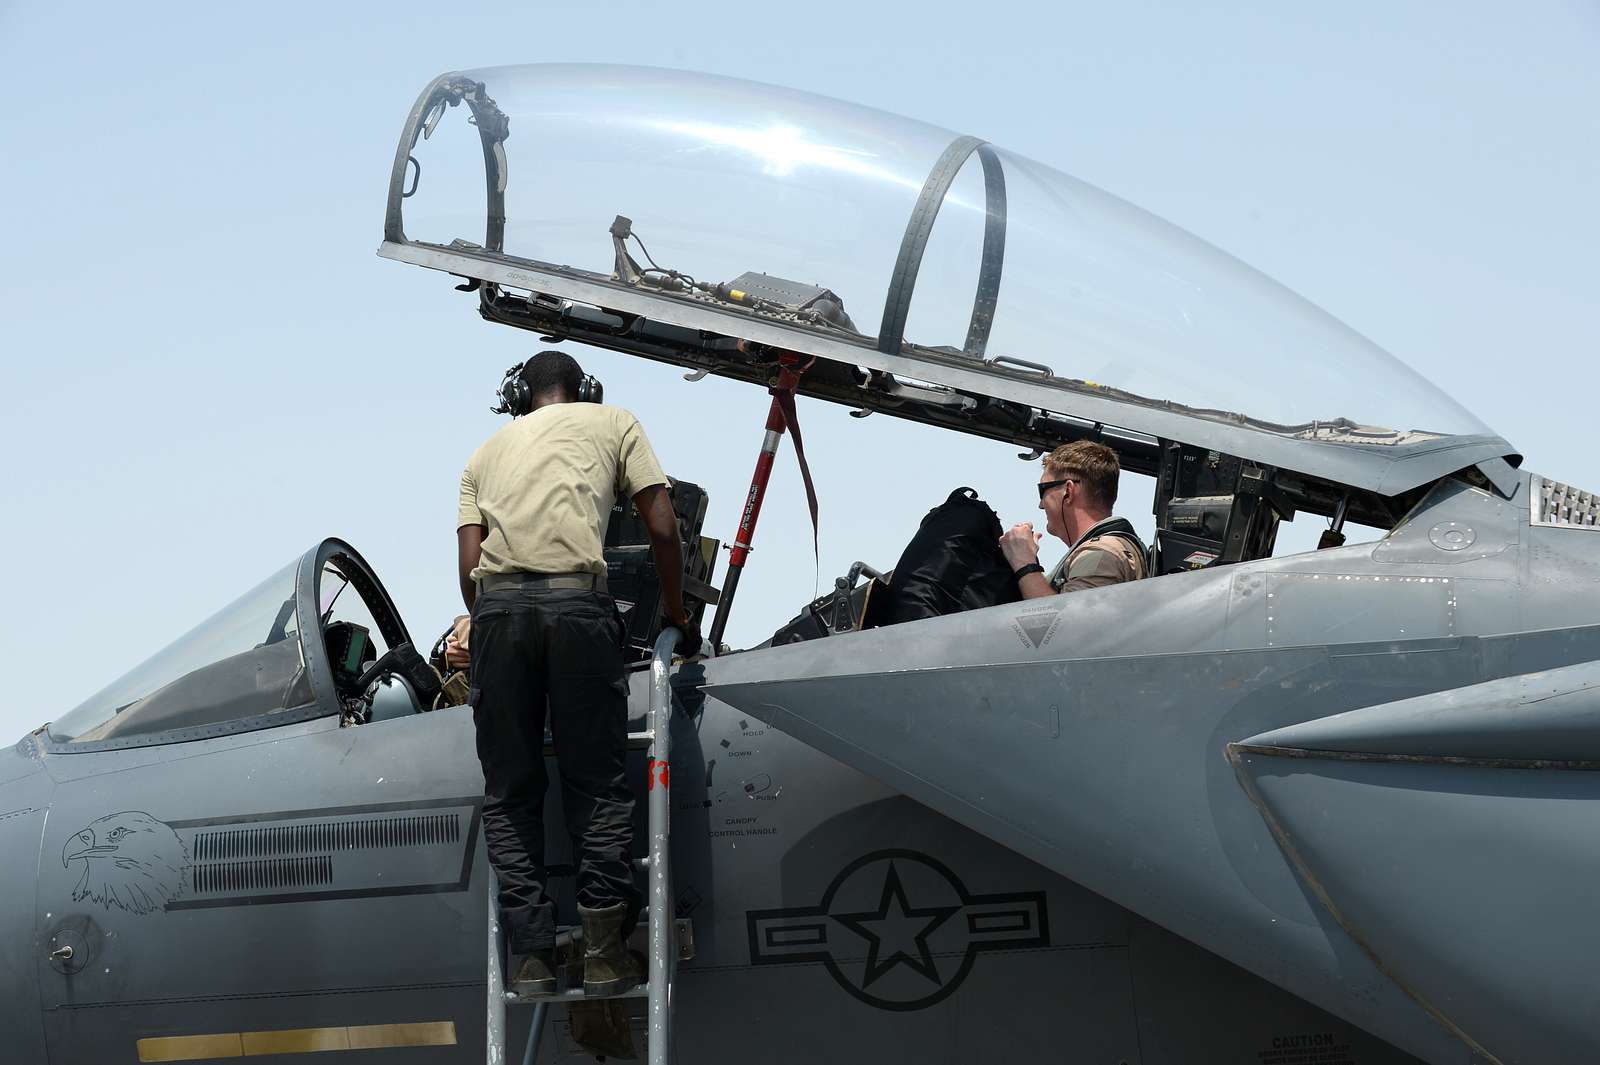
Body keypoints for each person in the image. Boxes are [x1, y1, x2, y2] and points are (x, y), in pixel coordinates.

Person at [454, 349, 697, 998]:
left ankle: (532, 957)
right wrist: (677, 613)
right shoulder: (613, 421)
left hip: (499, 617)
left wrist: (496, 634)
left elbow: (470, 566)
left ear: (517, 396)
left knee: (511, 792)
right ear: (583, 390)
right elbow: (663, 526)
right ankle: (604, 952)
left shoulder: (483, 454)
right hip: (579, 608)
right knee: (596, 784)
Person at [999, 440, 1147, 597]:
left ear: (1068, 492)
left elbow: (1068, 620)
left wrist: (1024, 562)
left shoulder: (1100, 553)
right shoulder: (1107, 549)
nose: (1041, 505)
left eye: (1043, 491)